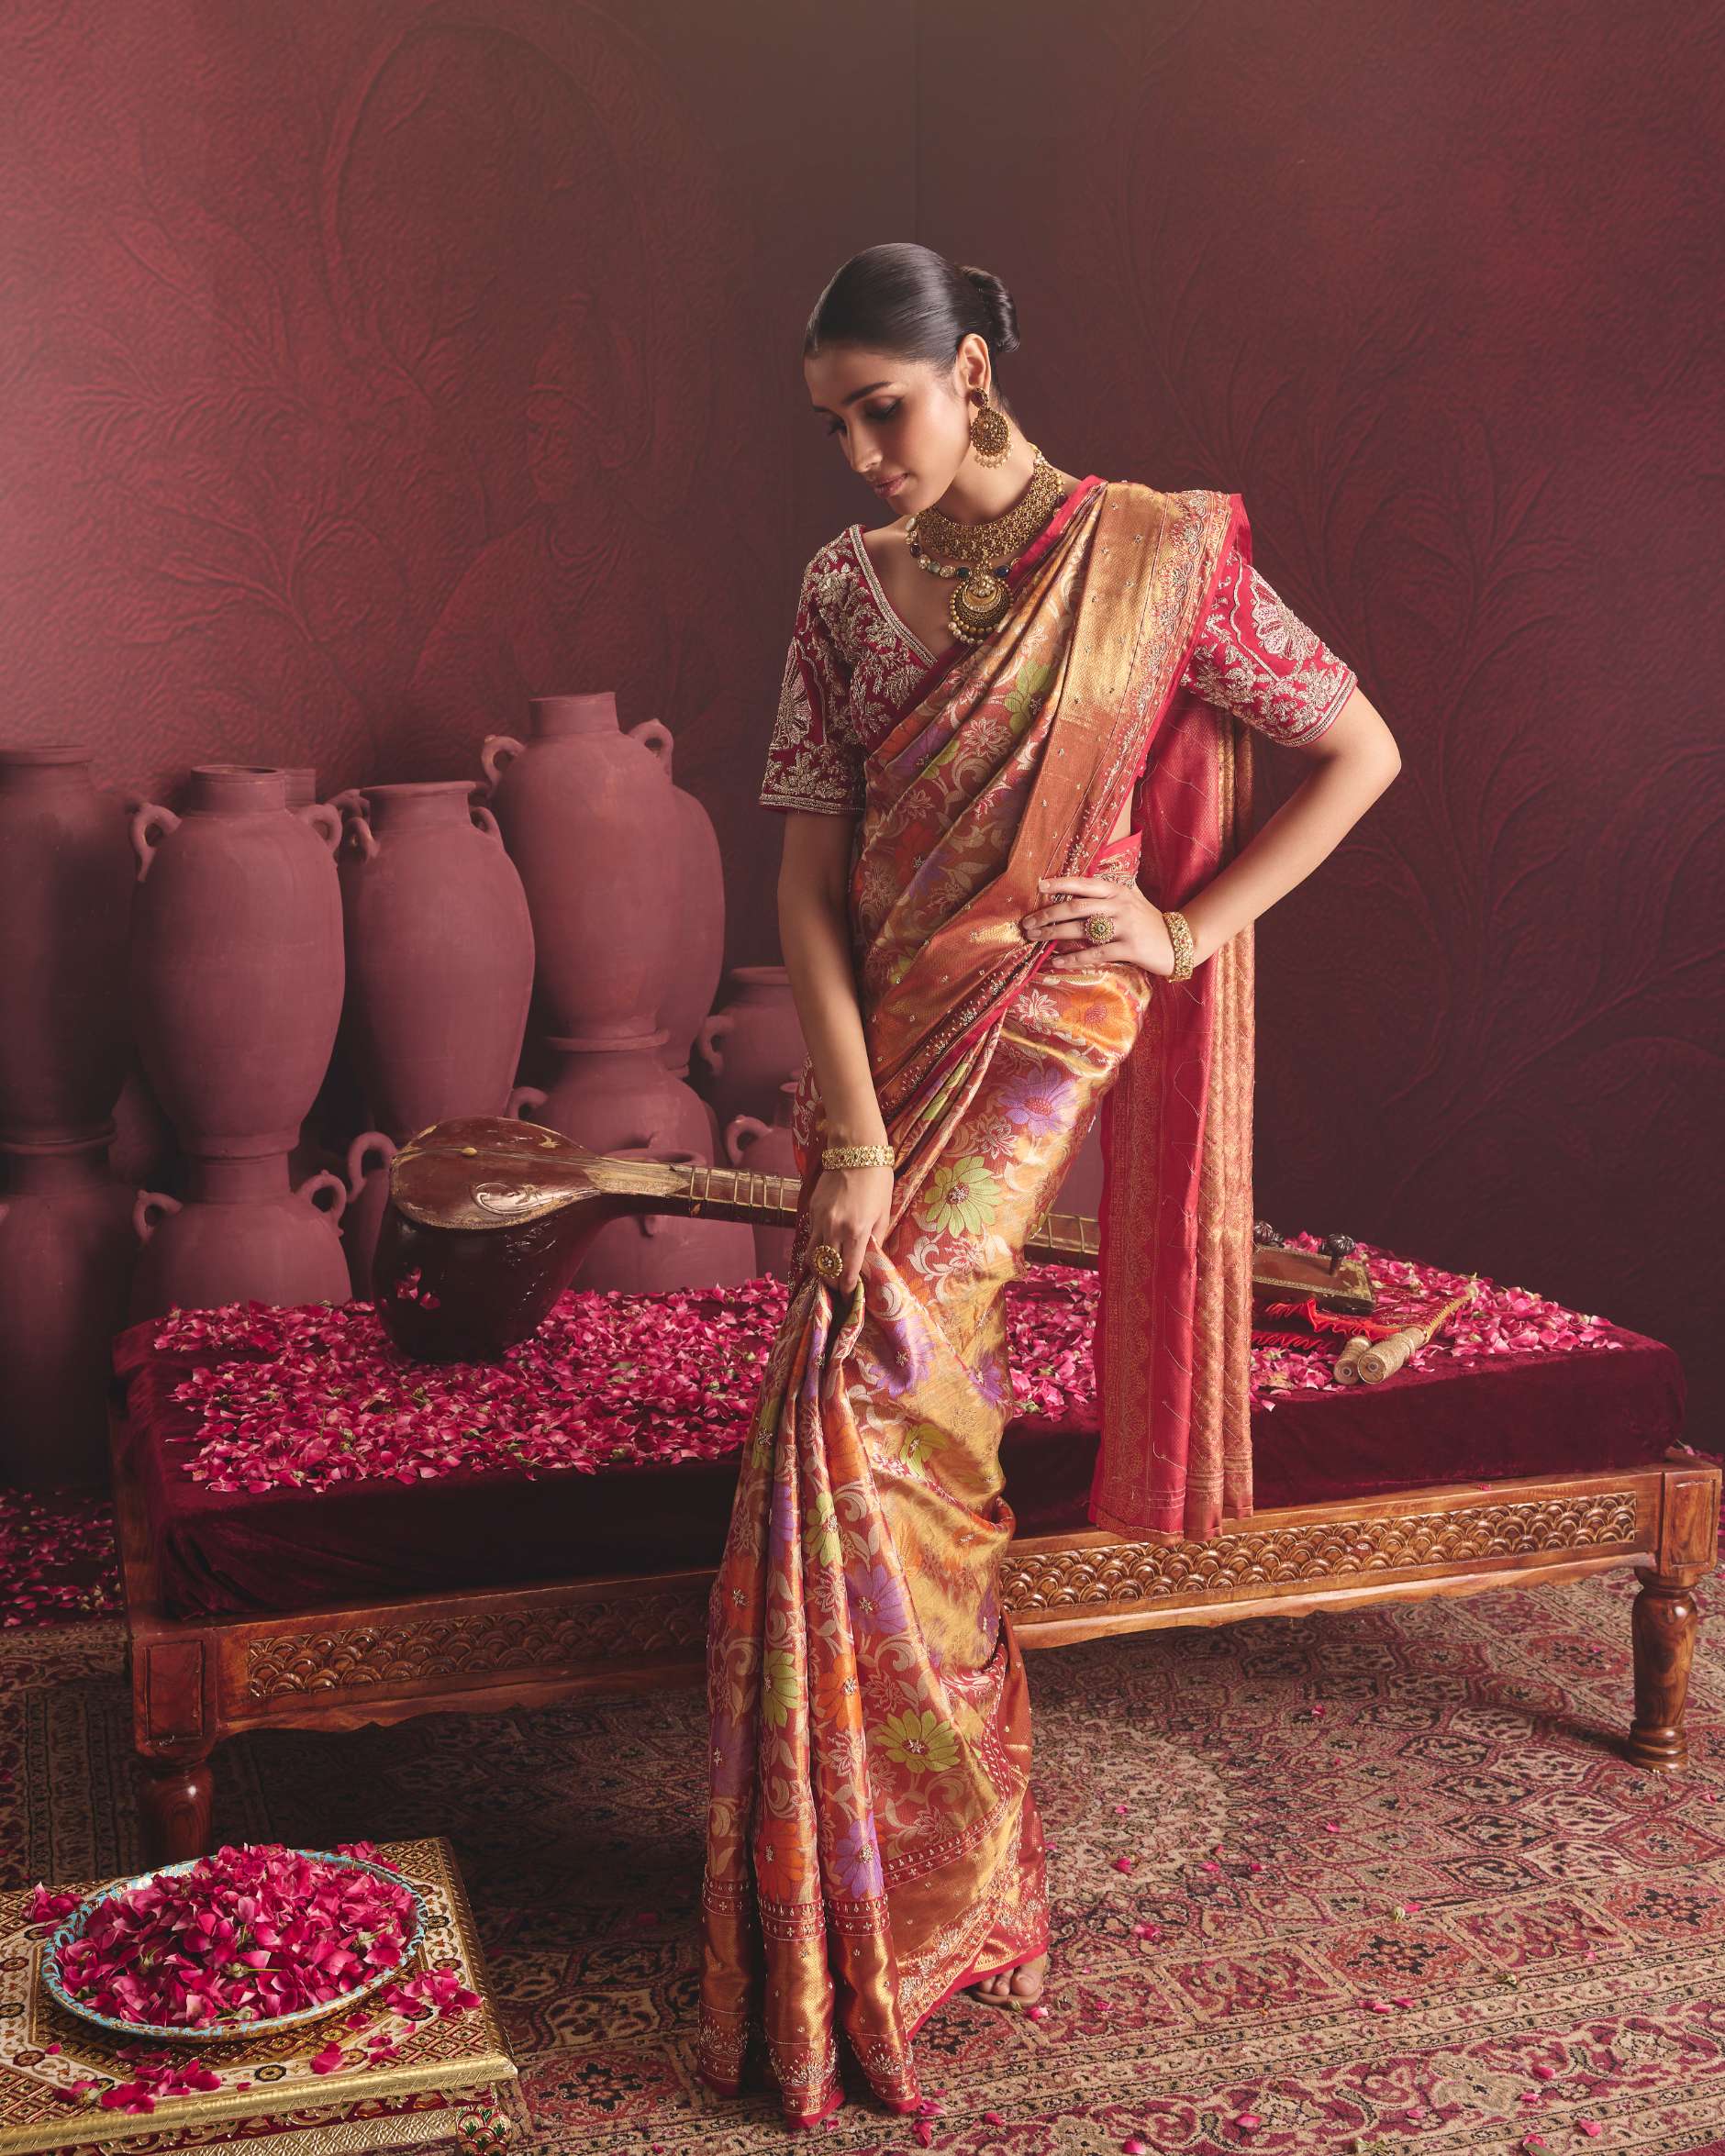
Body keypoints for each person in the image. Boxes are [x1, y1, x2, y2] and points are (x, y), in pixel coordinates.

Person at [697, 241, 1402, 2130]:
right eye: (836, 426)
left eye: (886, 411)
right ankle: (935, 1879)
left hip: (1046, 1013)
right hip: (886, 1032)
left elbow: (1359, 746)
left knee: (866, 1401)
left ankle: (920, 1892)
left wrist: (1182, 928)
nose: (864, 456)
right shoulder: (842, 590)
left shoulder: (1157, 556)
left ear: (975, 376)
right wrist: (850, 1136)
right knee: (856, 1412)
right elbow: (806, 889)